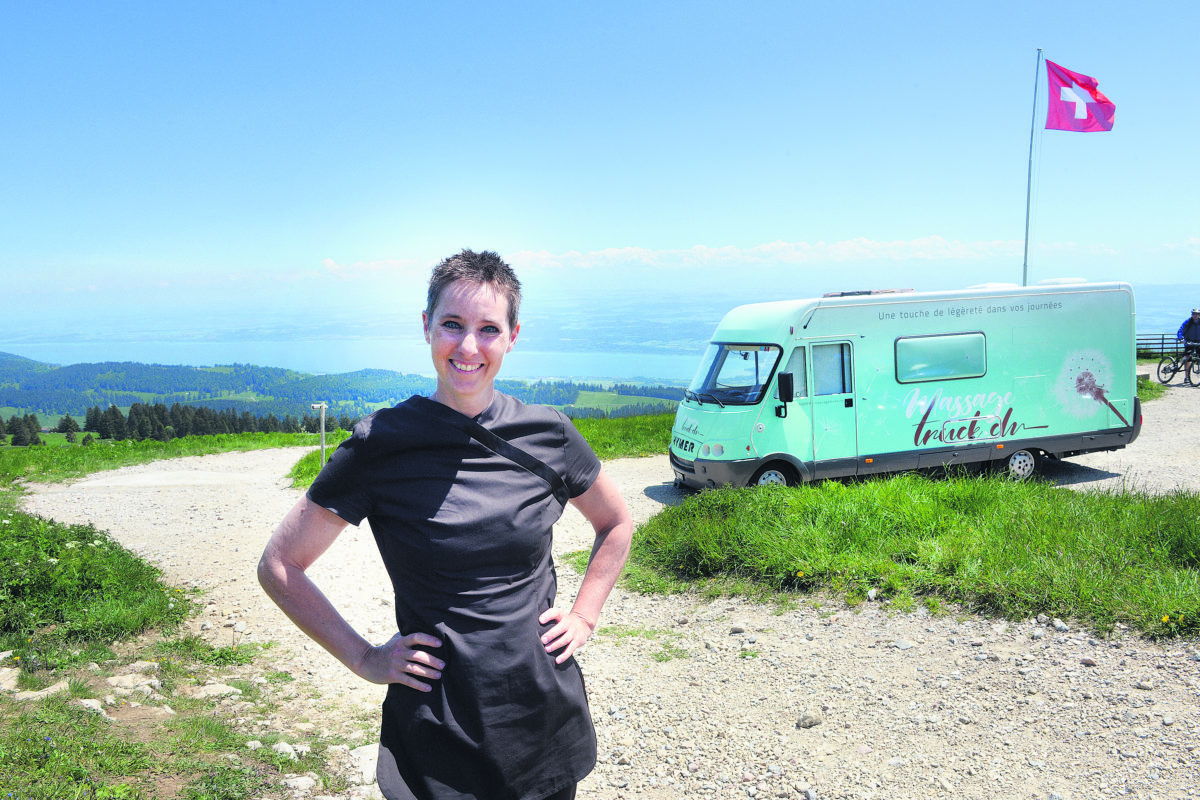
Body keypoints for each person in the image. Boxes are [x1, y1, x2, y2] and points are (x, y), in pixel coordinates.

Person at [258, 249, 633, 800]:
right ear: (426, 326)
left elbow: (617, 523)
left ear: (512, 336)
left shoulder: (548, 434)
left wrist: (584, 615)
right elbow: (279, 566)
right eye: (452, 325)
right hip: (435, 723)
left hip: (539, 713)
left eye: (488, 329)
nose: (468, 347)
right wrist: (364, 657)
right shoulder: (381, 444)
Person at [1177, 308, 1200, 385]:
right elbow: (1180, 330)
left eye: (1196, 314)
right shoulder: (1188, 322)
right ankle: (1186, 376)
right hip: (1189, 342)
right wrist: (1181, 337)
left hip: (1198, 343)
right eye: (1194, 314)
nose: (1195, 315)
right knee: (1188, 359)